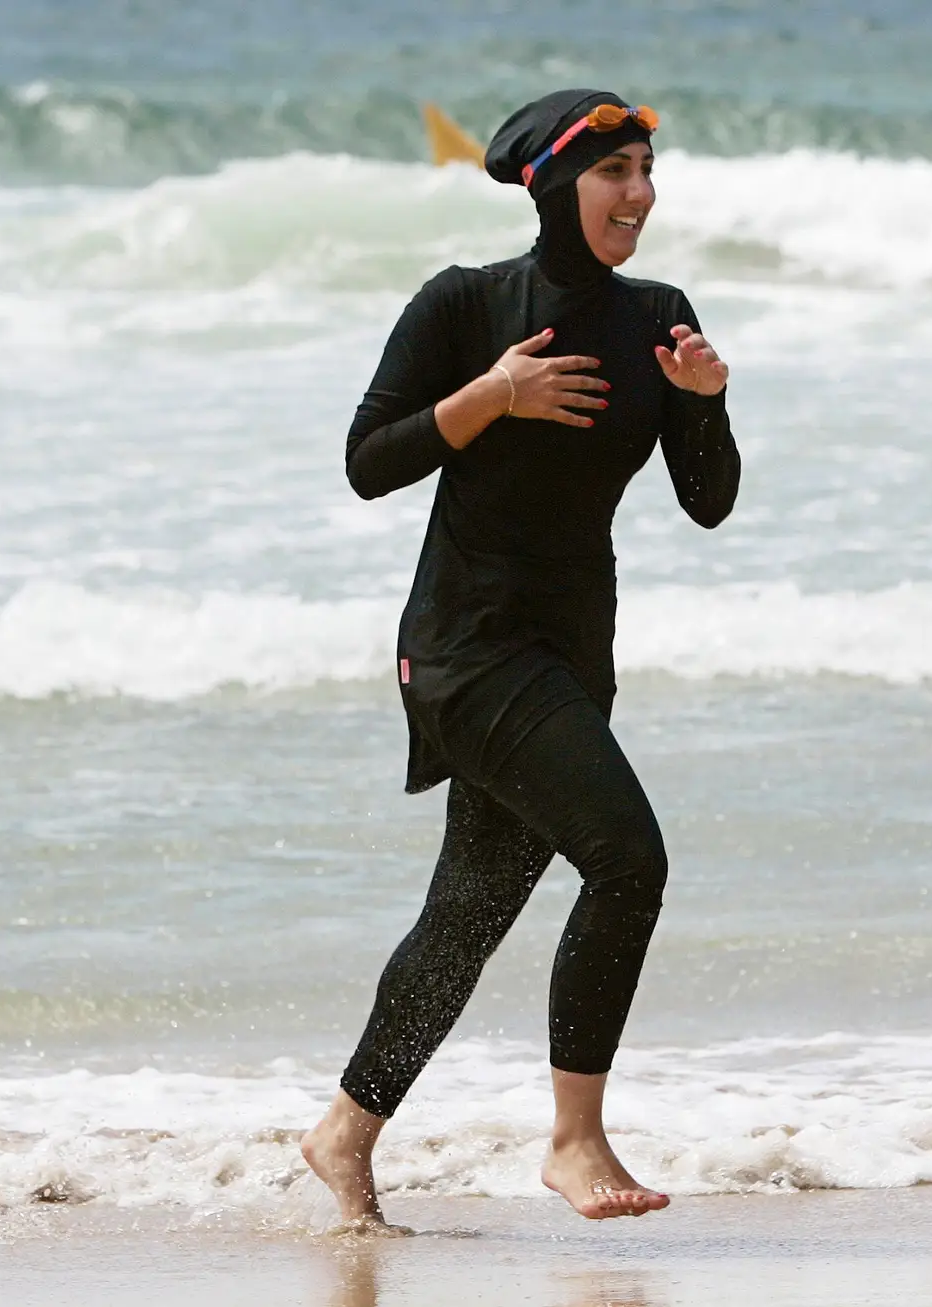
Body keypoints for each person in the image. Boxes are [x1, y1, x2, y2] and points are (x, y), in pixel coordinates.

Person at [300, 89, 739, 1226]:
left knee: (465, 917)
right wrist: (495, 393)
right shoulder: (465, 303)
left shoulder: (660, 316)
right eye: (613, 173)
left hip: (572, 652)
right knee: (628, 860)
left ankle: (344, 1133)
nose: (638, 194)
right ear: (551, 187)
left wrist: (706, 402)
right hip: (466, 646)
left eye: (646, 171)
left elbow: (708, 501)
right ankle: (575, 1140)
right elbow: (367, 460)